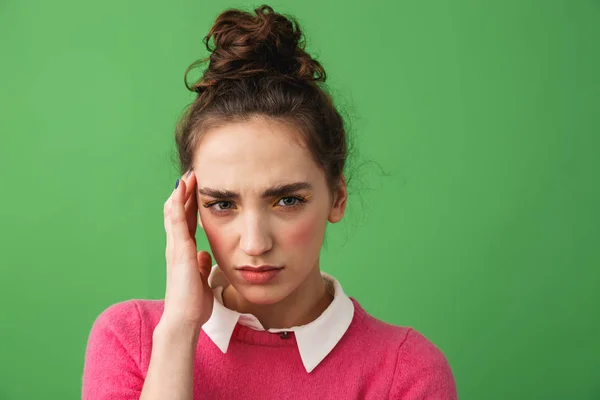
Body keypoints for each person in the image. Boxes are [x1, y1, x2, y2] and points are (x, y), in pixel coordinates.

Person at [82, 5, 457, 399]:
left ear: (338, 196)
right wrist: (178, 329)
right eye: (223, 205)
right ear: (187, 207)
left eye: (288, 200)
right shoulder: (132, 340)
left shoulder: (406, 372)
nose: (255, 244)